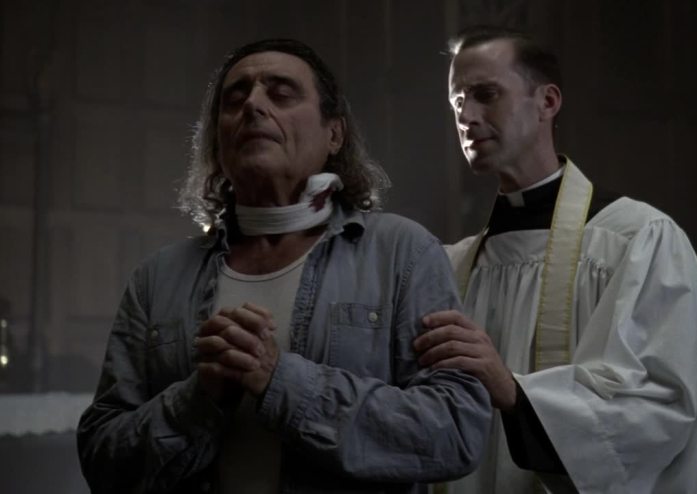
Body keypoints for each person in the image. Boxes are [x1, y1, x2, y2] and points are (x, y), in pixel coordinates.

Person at [77, 38, 491, 494]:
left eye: (281, 93)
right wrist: (199, 398)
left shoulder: (402, 254)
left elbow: (454, 433)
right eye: (235, 98)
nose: (253, 105)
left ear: (334, 134)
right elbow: (102, 461)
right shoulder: (156, 279)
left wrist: (281, 380)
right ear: (218, 140)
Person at [414, 26, 697, 493]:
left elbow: (659, 407)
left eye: (485, 95)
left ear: (547, 102)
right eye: (457, 102)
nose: (467, 116)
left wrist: (515, 393)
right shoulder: (452, 265)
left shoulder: (637, 239)